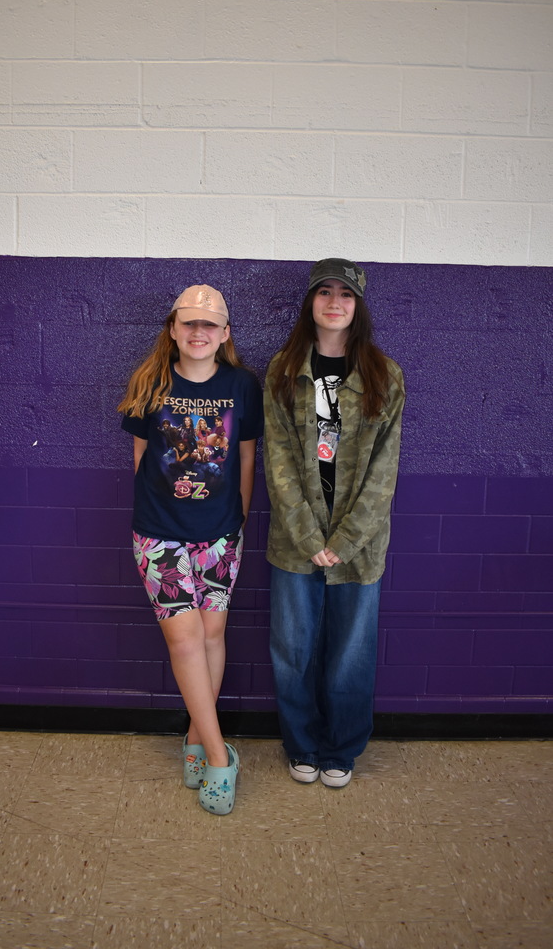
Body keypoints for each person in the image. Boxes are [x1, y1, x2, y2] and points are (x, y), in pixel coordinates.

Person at [119, 284, 263, 814]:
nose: (199, 333)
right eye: (189, 324)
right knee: (184, 641)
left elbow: (246, 459)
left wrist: (237, 521)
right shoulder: (151, 383)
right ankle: (222, 756)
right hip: (160, 533)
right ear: (174, 330)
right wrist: (162, 521)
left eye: (210, 325)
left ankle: (196, 739)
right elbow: (140, 459)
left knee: (211, 634)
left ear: (225, 334)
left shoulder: (242, 386)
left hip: (221, 533)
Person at [263, 258, 405, 789]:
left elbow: (383, 472)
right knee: (292, 650)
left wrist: (344, 541)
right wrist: (309, 538)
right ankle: (301, 744)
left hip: (359, 549)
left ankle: (341, 750)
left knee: (350, 654)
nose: (334, 302)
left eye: (345, 293)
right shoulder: (282, 371)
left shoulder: (384, 376)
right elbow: (278, 465)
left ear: (358, 304)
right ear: (310, 303)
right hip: (295, 543)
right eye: (324, 291)